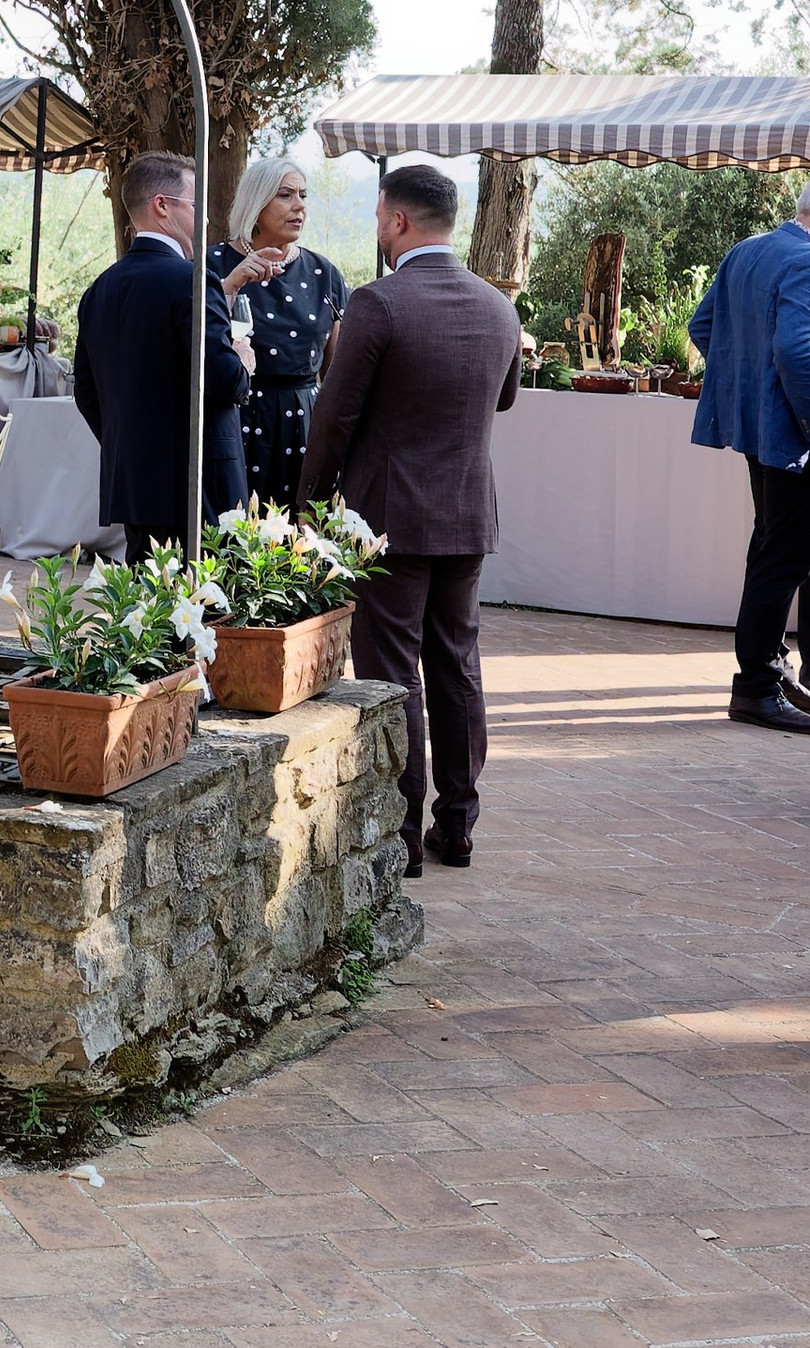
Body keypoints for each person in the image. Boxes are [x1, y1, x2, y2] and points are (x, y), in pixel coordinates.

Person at [300, 158, 521, 878]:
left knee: (393, 671)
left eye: (377, 216)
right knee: (458, 664)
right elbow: (506, 398)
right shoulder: (498, 305)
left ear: (398, 220)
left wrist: (307, 505)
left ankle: (398, 831)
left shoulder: (379, 302)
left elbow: (334, 416)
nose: (378, 228)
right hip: (465, 509)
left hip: (387, 516)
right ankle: (457, 823)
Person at [687, 172, 810, 734]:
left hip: (763, 430)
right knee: (783, 555)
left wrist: (750, 385)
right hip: (796, 437)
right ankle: (758, 684)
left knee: (770, 550)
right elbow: (795, 351)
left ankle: (766, 668)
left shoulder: (749, 249)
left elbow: (704, 327)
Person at [71, 151, 248, 558]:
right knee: (203, 610)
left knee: (147, 611)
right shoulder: (193, 279)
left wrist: (131, 445)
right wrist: (243, 361)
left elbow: (87, 393)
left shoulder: (100, 288)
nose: (203, 221)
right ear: (162, 206)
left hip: (133, 482)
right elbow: (222, 379)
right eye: (195, 206)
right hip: (197, 482)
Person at [208, 151, 348, 508]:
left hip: (305, 423)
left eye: (303, 195)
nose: (298, 206)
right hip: (233, 419)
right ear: (256, 202)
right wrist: (230, 287)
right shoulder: (211, 266)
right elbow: (193, 341)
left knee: (302, 544)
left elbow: (336, 371)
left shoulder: (324, 273)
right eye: (285, 195)